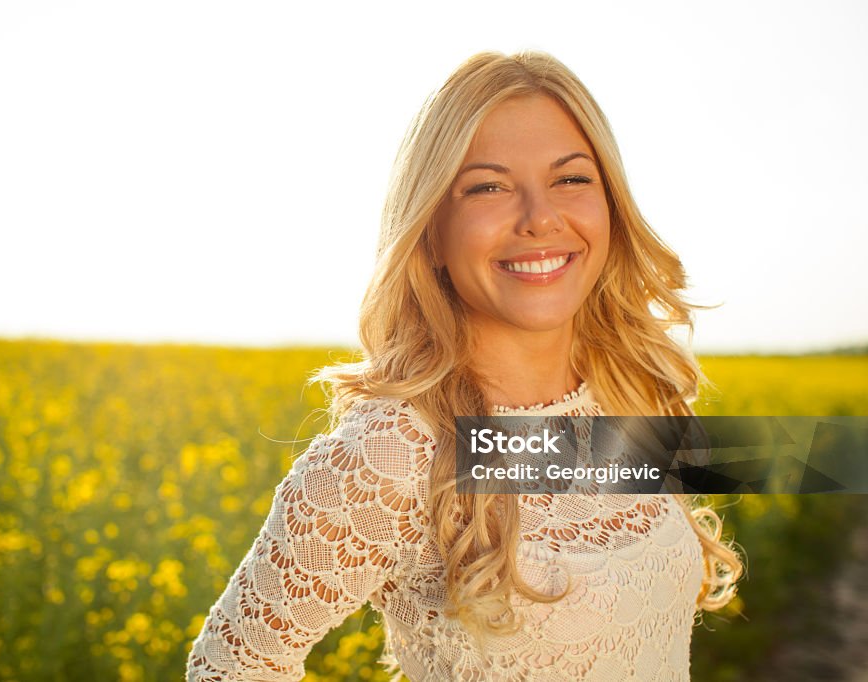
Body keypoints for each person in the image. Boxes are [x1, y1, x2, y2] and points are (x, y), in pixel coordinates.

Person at [185, 49, 742, 681]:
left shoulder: (625, 398)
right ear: (432, 233)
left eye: (570, 179)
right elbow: (227, 669)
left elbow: (818, 460)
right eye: (488, 187)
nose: (540, 218)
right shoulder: (396, 452)